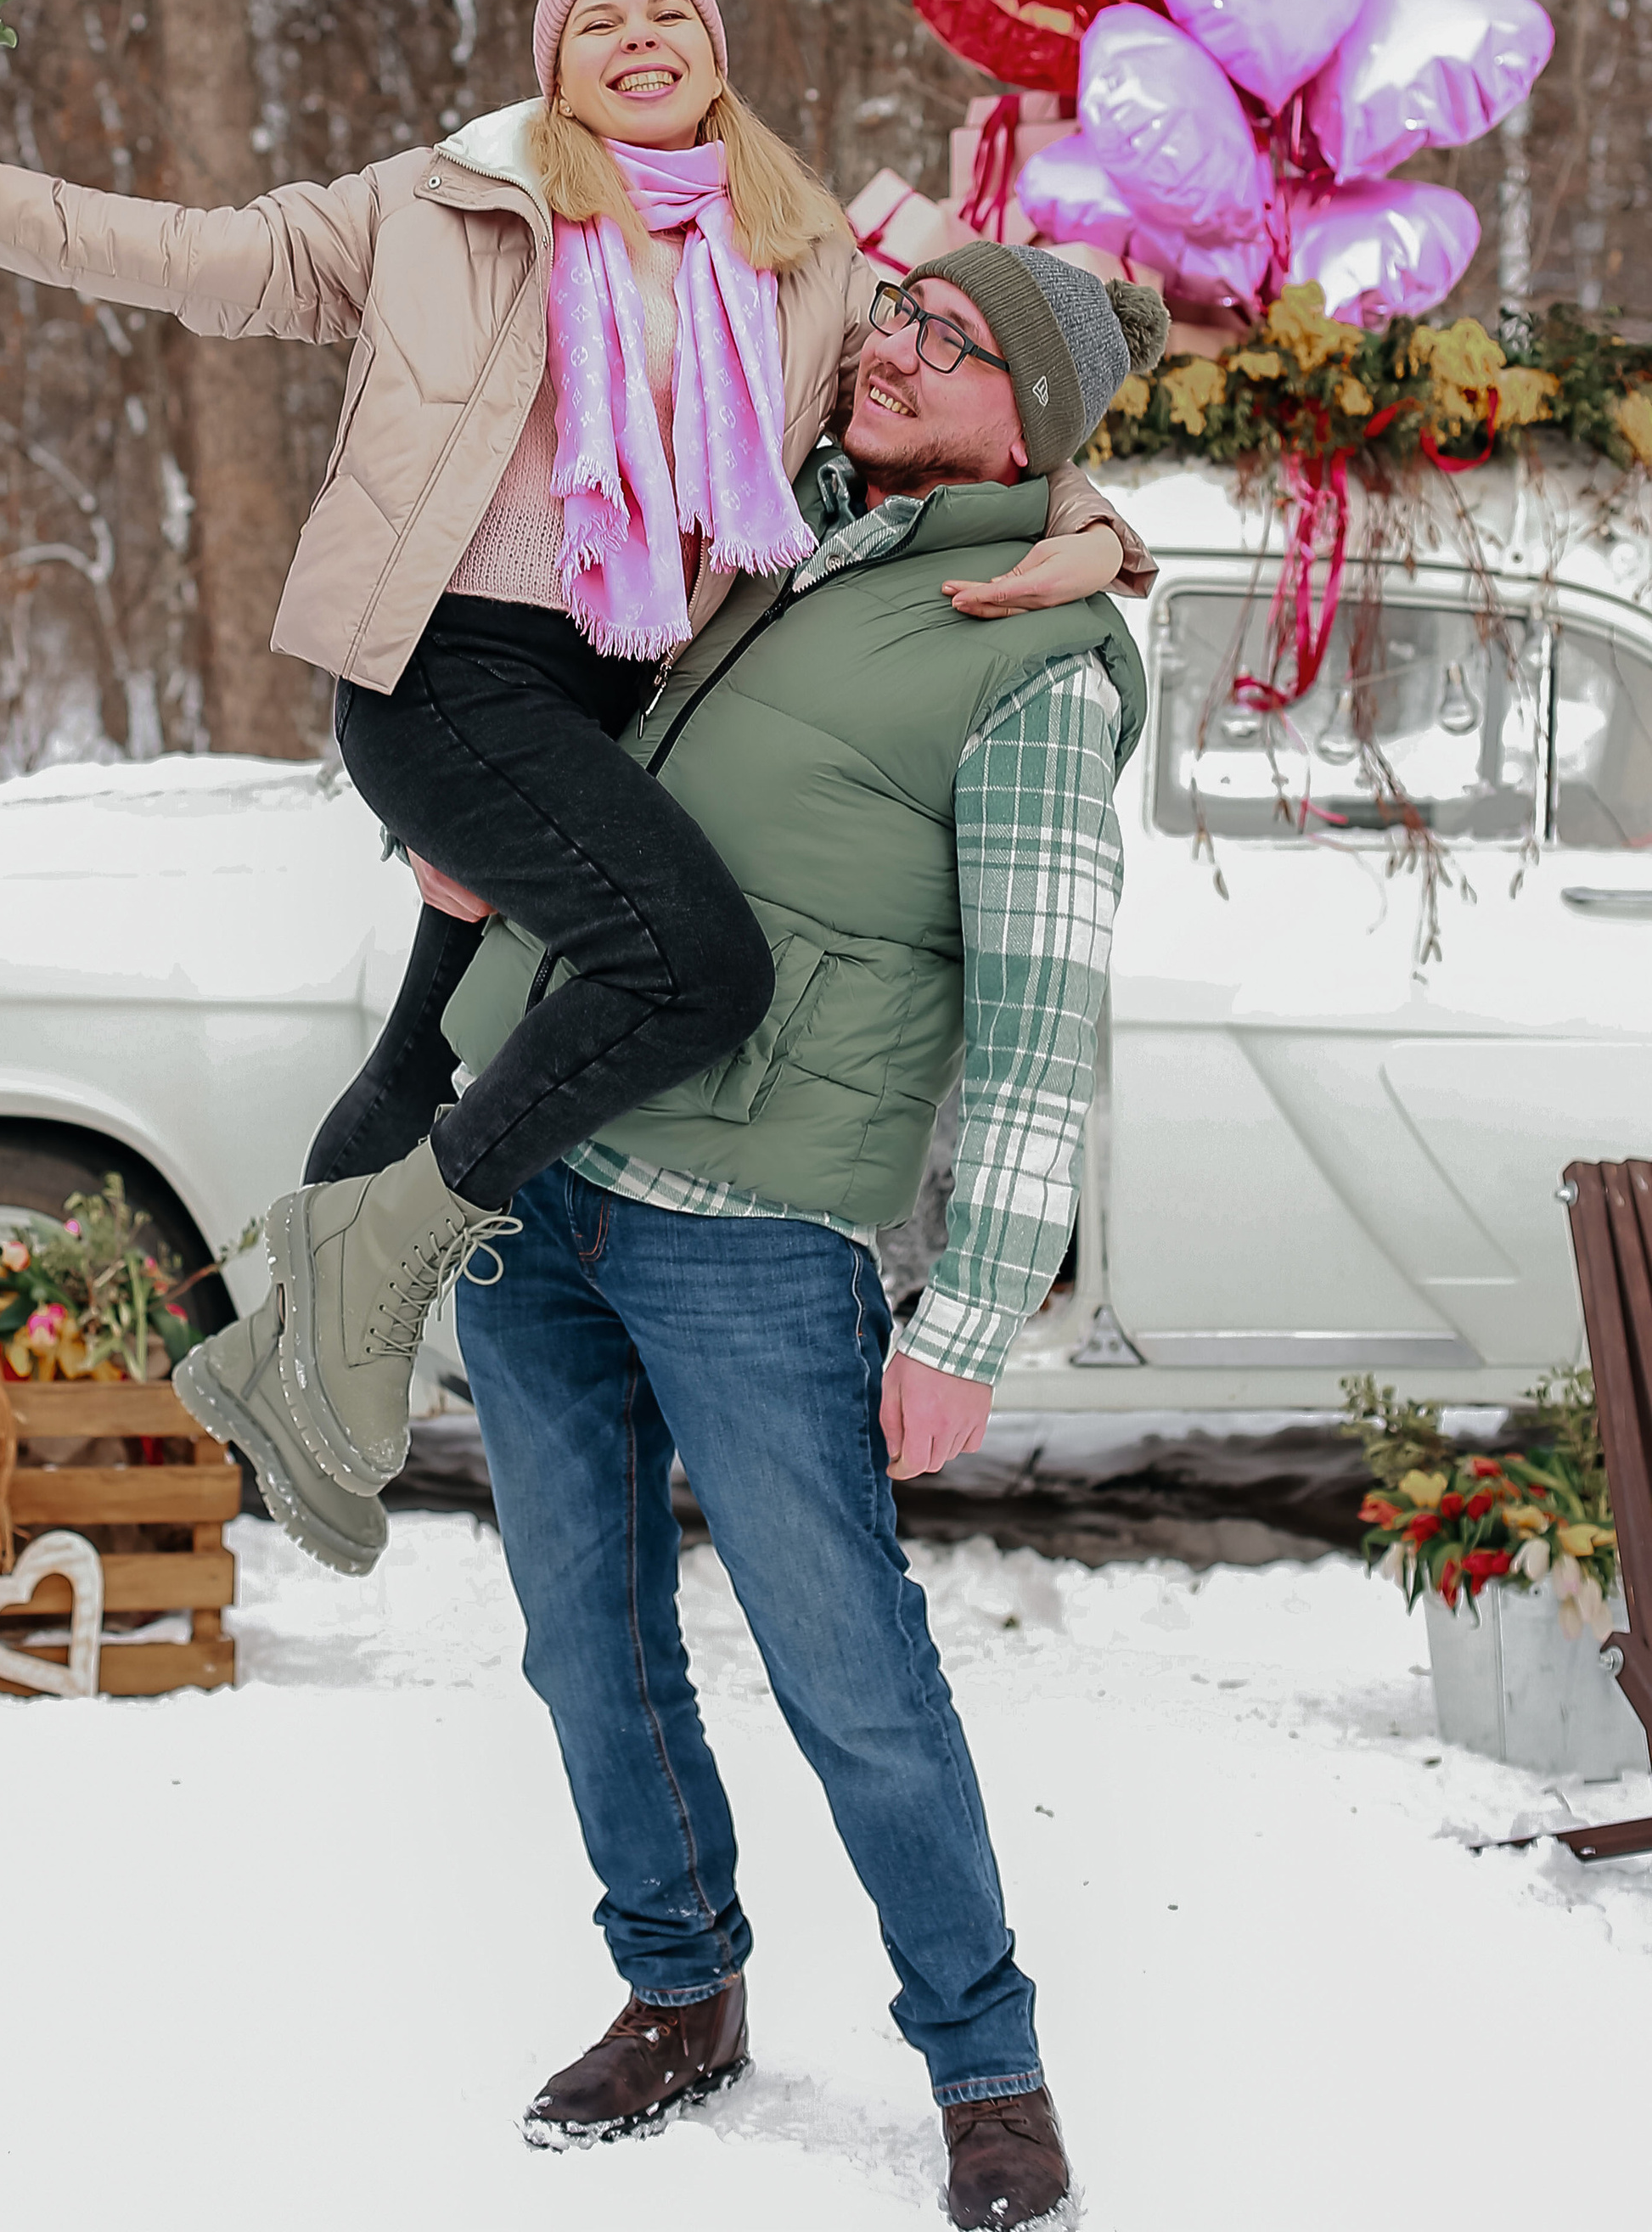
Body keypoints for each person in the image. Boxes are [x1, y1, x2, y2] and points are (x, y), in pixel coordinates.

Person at [0, 0, 1152, 1571]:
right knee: (695, 969)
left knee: (438, 1031)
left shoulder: (809, 248)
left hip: (623, 686)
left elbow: (973, 396)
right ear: (556, 66)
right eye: (597, 21)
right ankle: (360, 1292)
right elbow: (211, 261)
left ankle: (288, 1373)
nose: (637, 39)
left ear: (714, 48)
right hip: (447, 665)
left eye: (668, 13)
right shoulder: (447, 202)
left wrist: (1090, 529)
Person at [424, 239, 1162, 2229]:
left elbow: (1036, 1016)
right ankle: (678, 1989)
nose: (897, 346)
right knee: (581, 1638)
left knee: (848, 1668)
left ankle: (985, 2067)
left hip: (751, 1220)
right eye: (896, 316)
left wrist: (972, 1317)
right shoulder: (759, 529)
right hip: (537, 1161)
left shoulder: (1032, 650)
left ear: (1036, 423)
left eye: (955, 339)